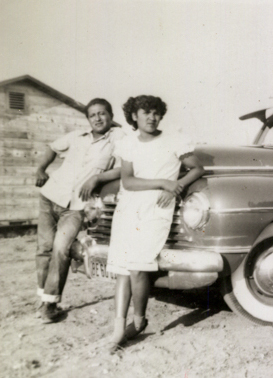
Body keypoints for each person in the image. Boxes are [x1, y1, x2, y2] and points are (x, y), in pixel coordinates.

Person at [105, 95, 204, 353]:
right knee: (123, 270)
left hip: (157, 210)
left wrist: (177, 187)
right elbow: (128, 181)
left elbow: (196, 168)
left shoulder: (174, 141)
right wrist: (163, 182)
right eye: (145, 112)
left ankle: (138, 321)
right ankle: (118, 328)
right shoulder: (127, 144)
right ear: (134, 116)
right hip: (129, 208)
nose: (151, 117)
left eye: (156, 113)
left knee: (138, 268)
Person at [35, 98, 125, 323]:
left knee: (60, 249)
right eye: (93, 114)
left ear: (111, 116)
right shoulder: (76, 136)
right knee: (44, 248)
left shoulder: (119, 139)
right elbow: (52, 148)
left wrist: (97, 177)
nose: (98, 118)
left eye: (102, 113)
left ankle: (50, 304)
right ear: (88, 119)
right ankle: (44, 298)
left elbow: (125, 167)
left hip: (76, 207)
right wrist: (40, 169)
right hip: (50, 196)